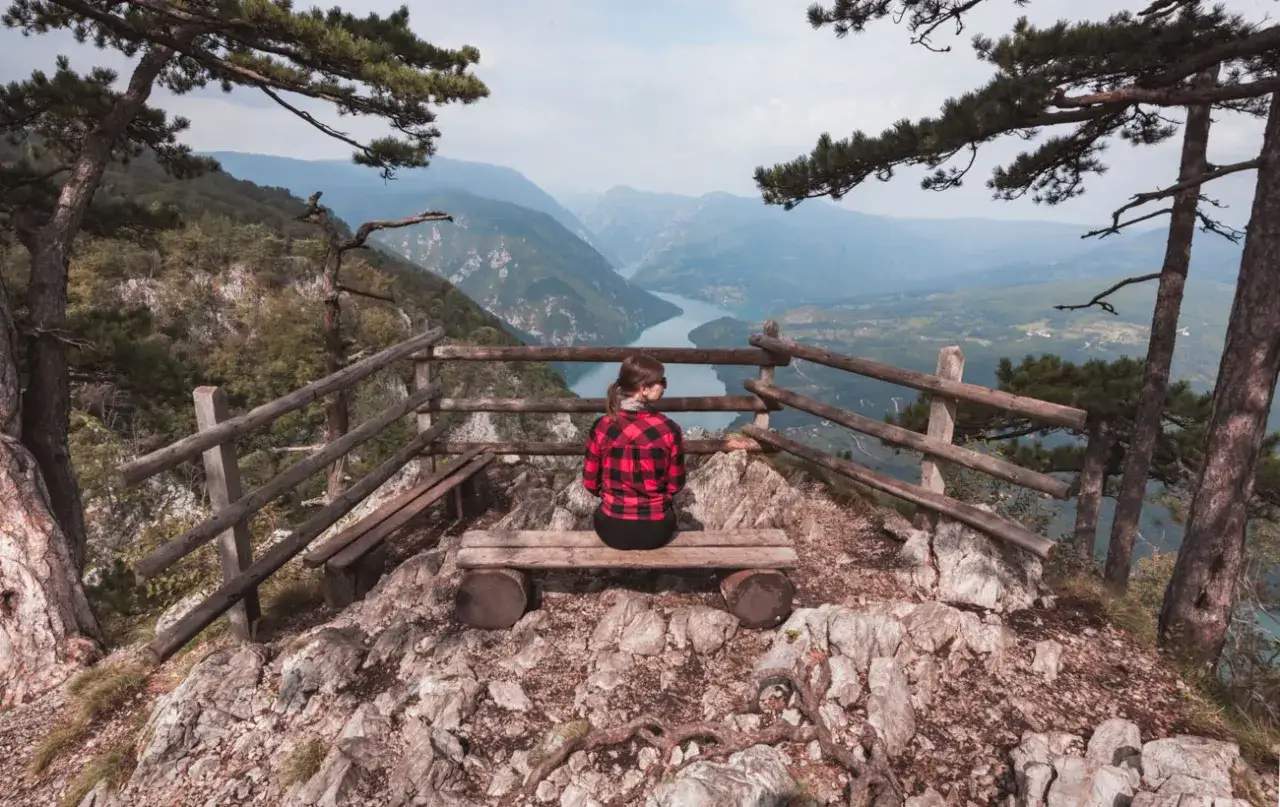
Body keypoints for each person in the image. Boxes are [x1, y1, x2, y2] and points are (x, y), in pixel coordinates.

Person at [582, 353, 686, 550]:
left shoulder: (602, 426)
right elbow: (675, 485)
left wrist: (614, 497)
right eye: (661, 381)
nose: (665, 386)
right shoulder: (669, 429)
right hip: (657, 529)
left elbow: (589, 483)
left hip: (611, 528)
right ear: (644, 389)